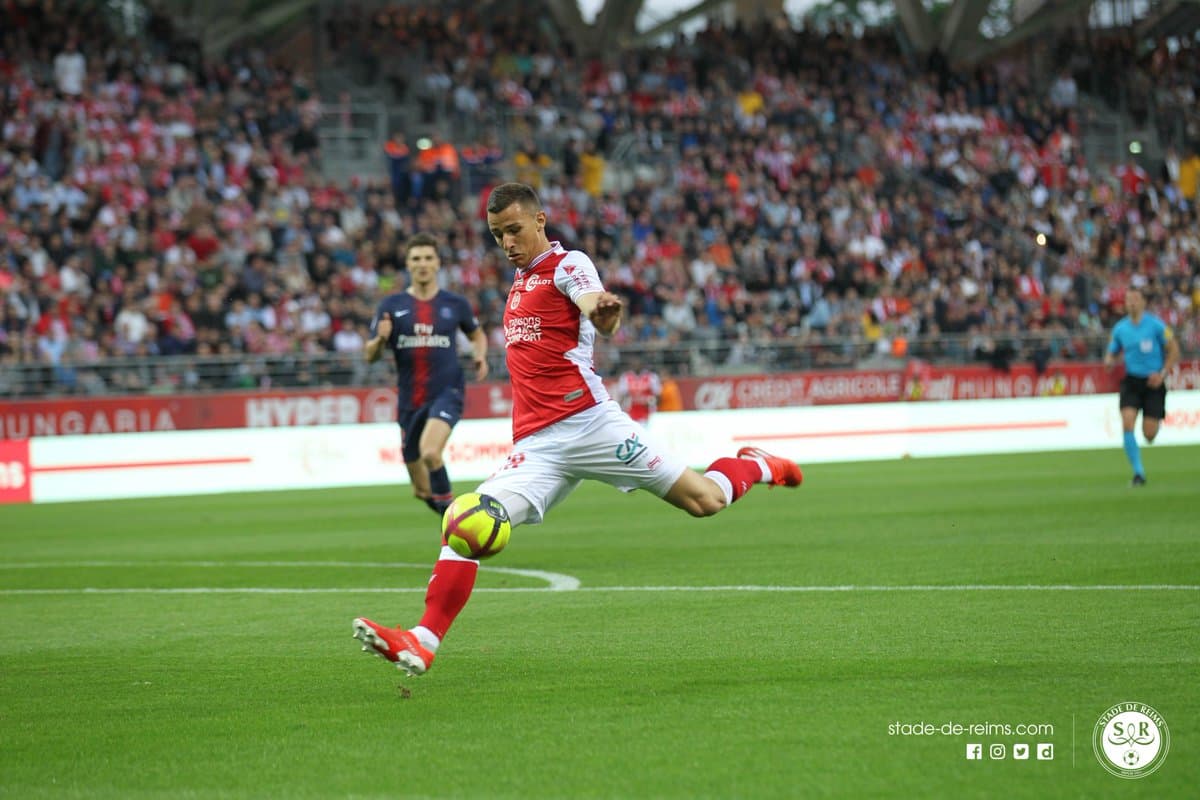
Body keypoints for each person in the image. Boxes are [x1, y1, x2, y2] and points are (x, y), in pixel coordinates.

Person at [353, 183, 803, 677]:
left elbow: (590, 301)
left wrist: (601, 312)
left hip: (592, 425)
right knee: (465, 523)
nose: (506, 242)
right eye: (497, 234)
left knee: (705, 502)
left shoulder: (568, 265)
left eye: (515, 230)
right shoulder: (519, 282)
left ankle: (755, 464)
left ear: (541, 221)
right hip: (538, 446)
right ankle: (422, 641)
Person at [365, 233, 488, 515]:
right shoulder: (391, 306)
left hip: (448, 393)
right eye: (416, 258)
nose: (422, 264)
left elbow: (477, 334)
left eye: (428, 258)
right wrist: (379, 340)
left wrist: (479, 354)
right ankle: (451, 517)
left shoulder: (455, 304)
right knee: (421, 489)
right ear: (407, 265)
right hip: (410, 400)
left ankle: (458, 526)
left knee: (431, 452)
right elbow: (369, 356)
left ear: (438, 264)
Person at [1102, 287, 1179, 487]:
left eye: (1136, 299)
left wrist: (1162, 374)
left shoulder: (1156, 326)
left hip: (1154, 382)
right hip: (1132, 382)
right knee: (1127, 423)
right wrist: (1109, 360)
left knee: (1149, 434)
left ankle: (1152, 425)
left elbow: (1174, 350)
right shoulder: (1120, 329)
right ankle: (1139, 473)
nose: (1132, 303)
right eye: (1129, 299)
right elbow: (1112, 351)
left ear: (1144, 302)